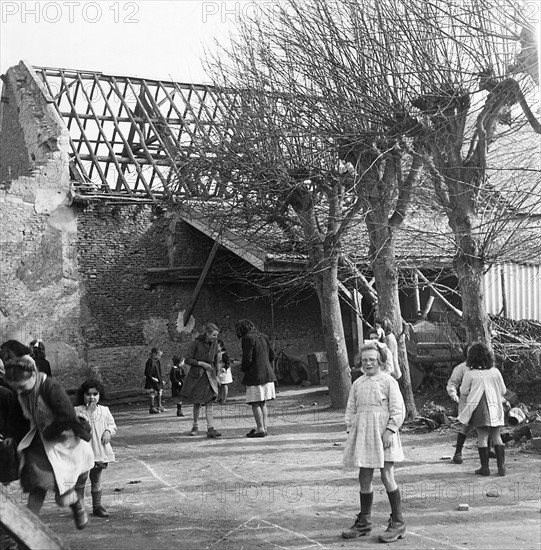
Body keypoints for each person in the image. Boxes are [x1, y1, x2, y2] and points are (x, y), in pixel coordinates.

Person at [3, 355, 94, 529]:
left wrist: (50, 433)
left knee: (62, 497)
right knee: (36, 486)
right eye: (16, 388)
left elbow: (66, 415)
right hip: (40, 445)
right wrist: (11, 435)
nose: (20, 391)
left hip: (63, 442)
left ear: (33, 375)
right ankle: (27, 530)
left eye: (22, 386)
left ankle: (76, 503)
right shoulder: (22, 393)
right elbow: (17, 417)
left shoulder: (51, 388)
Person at [342, 341, 406, 543]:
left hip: (383, 435)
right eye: (364, 360)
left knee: (387, 475)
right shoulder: (358, 383)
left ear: (380, 360)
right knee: (364, 476)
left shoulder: (388, 381)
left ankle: (397, 522)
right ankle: (364, 523)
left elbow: (398, 409)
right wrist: (351, 428)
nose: (368, 363)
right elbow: (351, 409)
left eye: (372, 360)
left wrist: (390, 430)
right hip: (364, 434)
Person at [458, 342, 507, 476]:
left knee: (482, 436)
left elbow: (463, 391)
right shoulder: (495, 372)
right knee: (497, 436)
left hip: (479, 408)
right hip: (495, 406)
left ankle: (484, 468)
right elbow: (503, 390)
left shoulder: (470, 374)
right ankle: (501, 467)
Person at [74, 378, 117, 518]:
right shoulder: (77, 411)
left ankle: (97, 506)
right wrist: (88, 412)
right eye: (88, 394)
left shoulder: (105, 410)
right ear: (83, 395)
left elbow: (112, 424)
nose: (92, 397)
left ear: (100, 395)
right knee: (81, 479)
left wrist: (108, 431)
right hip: (83, 451)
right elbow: (79, 427)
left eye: (95, 394)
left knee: (96, 479)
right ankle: (79, 508)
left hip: (98, 450)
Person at [235, 319, 276, 438]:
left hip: (255, 374)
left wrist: (245, 370)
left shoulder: (247, 338)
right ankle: (264, 427)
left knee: (255, 403)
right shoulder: (263, 336)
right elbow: (272, 354)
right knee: (262, 403)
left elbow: (247, 358)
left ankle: (260, 429)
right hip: (267, 373)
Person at [182, 323, 222, 438]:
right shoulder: (196, 343)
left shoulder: (214, 344)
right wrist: (202, 364)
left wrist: (217, 376)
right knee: (197, 402)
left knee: (210, 401)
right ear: (207, 333)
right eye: (213, 335)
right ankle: (195, 426)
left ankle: (211, 428)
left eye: (216, 335)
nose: (215, 337)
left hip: (210, 376)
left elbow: (215, 361)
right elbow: (188, 359)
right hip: (197, 376)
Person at [144, 347, 165, 414]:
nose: (159, 357)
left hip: (157, 379)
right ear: (153, 354)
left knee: (159, 391)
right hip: (151, 380)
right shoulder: (150, 361)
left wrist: (161, 380)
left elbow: (159, 372)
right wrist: (152, 378)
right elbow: (147, 372)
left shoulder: (157, 361)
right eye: (158, 355)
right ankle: (152, 408)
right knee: (152, 393)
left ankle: (159, 406)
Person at [216, 339, 233, 404]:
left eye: (217, 347)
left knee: (224, 384)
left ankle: (224, 399)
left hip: (224, 371)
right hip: (218, 371)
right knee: (219, 385)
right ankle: (219, 398)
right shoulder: (216, 354)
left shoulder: (224, 354)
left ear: (221, 347)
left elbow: (227, 362)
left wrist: (225, 368)